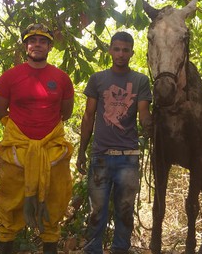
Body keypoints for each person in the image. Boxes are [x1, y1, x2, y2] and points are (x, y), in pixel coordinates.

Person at [0, 23, 75, 254]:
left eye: (42, 41)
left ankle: (49, 245)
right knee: (10, 201)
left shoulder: (61, 78)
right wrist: (22, 136)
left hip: (52, 152)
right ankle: (6, 244)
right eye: (32, 40)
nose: (36, 45)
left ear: (50, 46)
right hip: (17, 152)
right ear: (25, 46)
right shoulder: (10, 77)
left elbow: (65, 113)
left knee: (54, 199)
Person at [76, 31, 153, 254]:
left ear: (131, 53)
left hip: (128, 157)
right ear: (110, 50)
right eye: (117, 49)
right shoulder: (98, 79)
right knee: (96, 209)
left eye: (125, 50)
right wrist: (82, 150)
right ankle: (93, 250)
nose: (120, 54)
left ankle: (120, 249)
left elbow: (143, 113)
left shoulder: (140, 81)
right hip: (101, 155)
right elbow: (89, 116)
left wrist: (150, 125)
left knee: (125, 209)